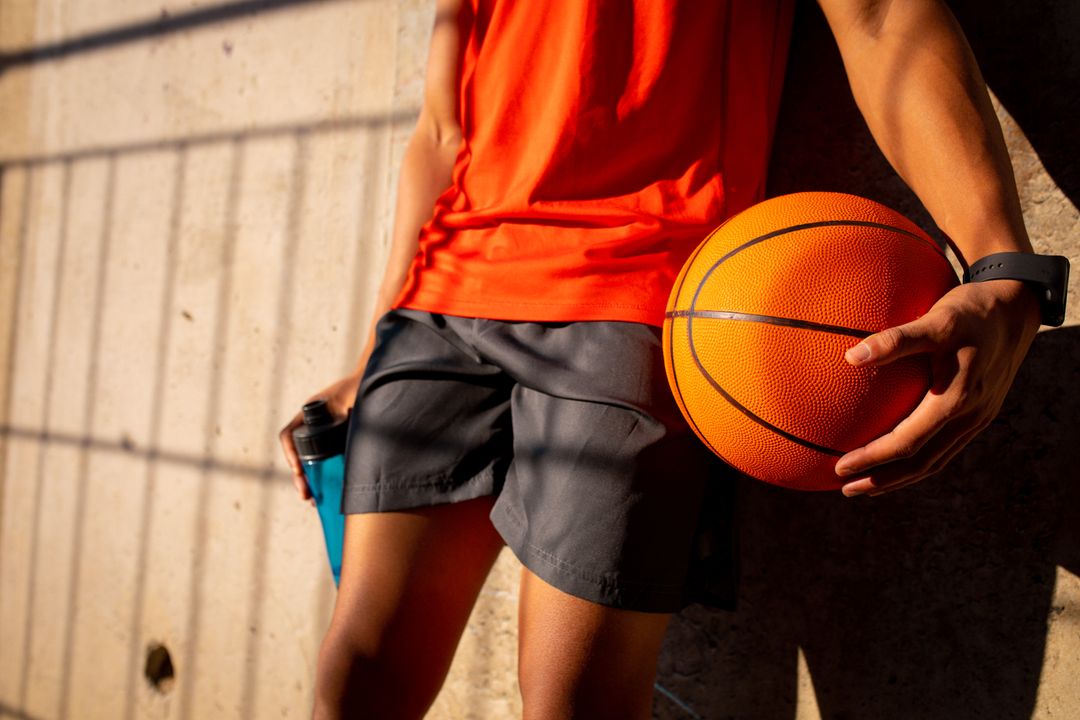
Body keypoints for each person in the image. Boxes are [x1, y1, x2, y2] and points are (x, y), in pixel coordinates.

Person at [280, 1, 1043, 717]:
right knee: (357, 681)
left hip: (639, 294)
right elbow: (441, 130)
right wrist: (374, 344)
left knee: (573, 703)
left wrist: (1002, 262)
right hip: (440, 297)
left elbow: (879, 19)